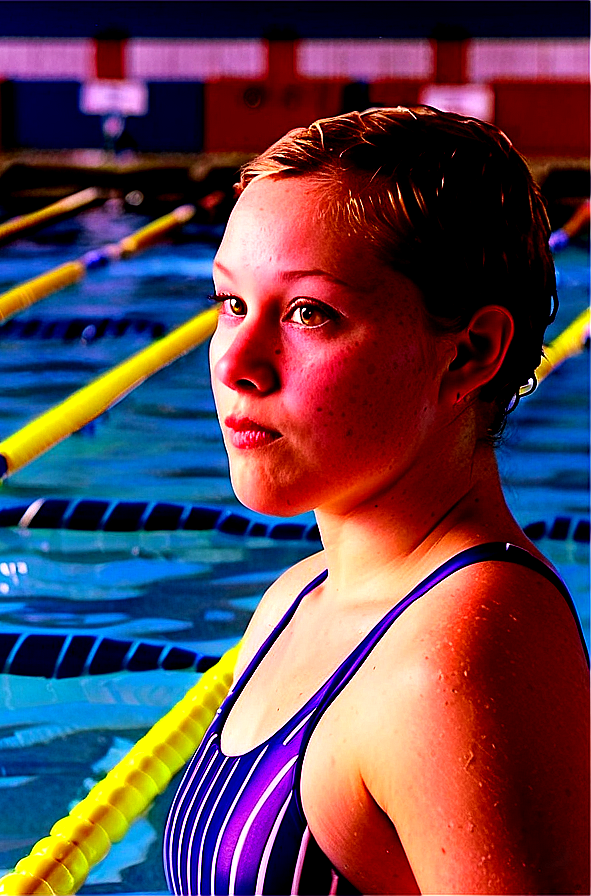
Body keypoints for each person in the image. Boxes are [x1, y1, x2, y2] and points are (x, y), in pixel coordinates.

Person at [163, 106, 589, 895]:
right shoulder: (297, 599)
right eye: (230, 304)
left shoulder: (460, 657)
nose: (239, 364)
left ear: (468, 353)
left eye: (308, 312)